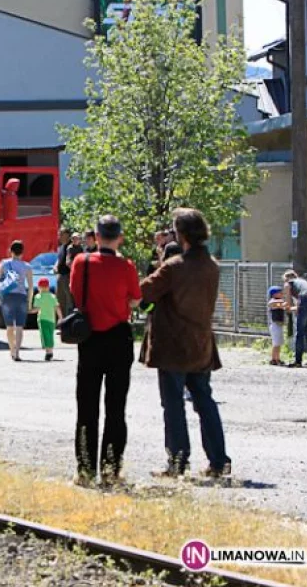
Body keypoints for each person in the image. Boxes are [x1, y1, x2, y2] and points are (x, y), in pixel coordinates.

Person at [141, 208, 231, 479]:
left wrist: (158, 263)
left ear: (181, 234)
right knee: (204, 401)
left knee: (173, 404)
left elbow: (144, 292)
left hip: (173, 345)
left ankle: (178, 461)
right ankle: (218, 461)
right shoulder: (212, 265)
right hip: (201, 343)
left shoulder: (174, 267)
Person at [69, 215, 141, 488]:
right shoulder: (127, 266)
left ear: (96, 237)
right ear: (119, 237)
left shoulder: (81, 262)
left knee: (86, 406)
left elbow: (76, 294)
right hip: (118, 337)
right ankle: (111, 469)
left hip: (90, 337)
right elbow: (135, 299)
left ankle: (85, 470)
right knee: (115, 407)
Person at [0, 241, 34, 362]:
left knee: (9, 326)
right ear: (22, 252)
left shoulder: (4, 263)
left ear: (10, 251)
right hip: (21, 296)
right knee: (19, 327)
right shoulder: (27, 266)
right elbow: (30, 286)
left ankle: (11, 349)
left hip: (7, 297)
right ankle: (17, 352)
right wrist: (29, 302)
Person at [283, 269, 307, 368]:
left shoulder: (289, 283)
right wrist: (293, 308)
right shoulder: (303, 282)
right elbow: (298, 306)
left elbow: (288, 302)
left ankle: (298, 361)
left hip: (305, 300)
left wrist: (286, 307)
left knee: (299, 332)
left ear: (287, 278)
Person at [32, 277, 62, 361]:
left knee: (44, 335)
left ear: (39, 287)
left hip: (42, 319)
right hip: (52, 319)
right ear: (48, 287)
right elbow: (57, 308)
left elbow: (36, 309)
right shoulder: (52, 296)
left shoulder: (38, 297)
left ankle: (48, 352)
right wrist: (60, 317)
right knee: (50, 335)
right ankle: (50, 350)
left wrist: (29, 311)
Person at [53, 229, 73, 316]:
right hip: (60, 276)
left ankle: (70, 321)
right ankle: (63, 321)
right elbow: (59, 259)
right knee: (60, 300)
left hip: (68, 276)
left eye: (61, 234)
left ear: (67, 235)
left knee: (69, 300)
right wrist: (55, 266)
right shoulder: (61, 247)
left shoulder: (71, 247)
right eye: (59, 234)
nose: (59, 236)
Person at [267, 286, 288, 367]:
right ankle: (273, 359)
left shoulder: (279, 302)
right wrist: (284, 302)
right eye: (280, 292)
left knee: (278, 343)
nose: (282, 293)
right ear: (274, 294)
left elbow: (283, 305)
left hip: (279, 325)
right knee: (276, 343)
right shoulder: (273, 301)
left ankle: (277, 359)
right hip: (275, 326)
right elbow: (271, 304)